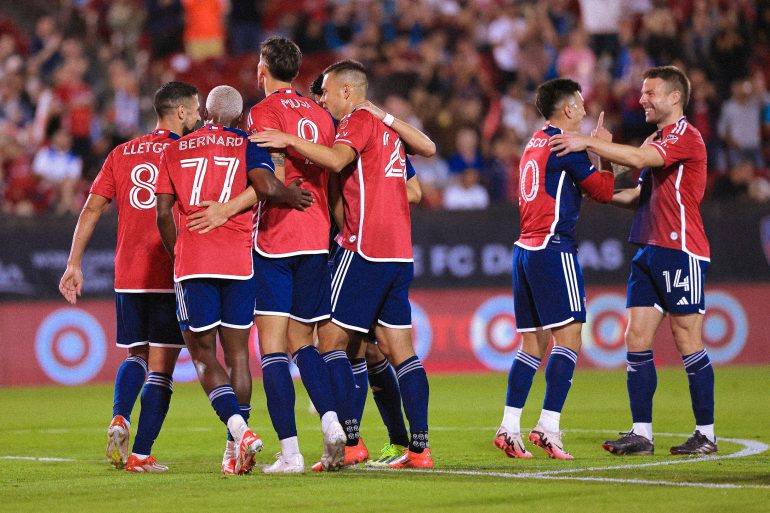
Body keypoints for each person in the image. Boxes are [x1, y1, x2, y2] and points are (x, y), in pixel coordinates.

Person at [251, 59, 437, 469]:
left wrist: (287, 138)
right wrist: (379, 193)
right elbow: (417, 186)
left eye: (328, 92)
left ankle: (349, 442)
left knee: (329, 342)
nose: (323, 100)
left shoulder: (354, 123)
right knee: (395, 350)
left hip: (363, 249)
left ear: (348, 92)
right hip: (398, 254)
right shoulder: (388, 130)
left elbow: (335, 162)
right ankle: (418, 450)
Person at [186, 37, 348, 473]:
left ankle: (291, 452)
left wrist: (224, 209)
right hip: (317, 238)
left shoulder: (262, 114)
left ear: (262, 70)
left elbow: (266, 181)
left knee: (273, 348)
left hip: (275, 238)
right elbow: (332, 174)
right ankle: (332, 424)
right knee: (305, 342)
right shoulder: (321, 113)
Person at [549, 65, 717, 456]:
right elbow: (632, 196)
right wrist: (601, 166)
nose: (642, 99)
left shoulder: (684, 137)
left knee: (686, 338)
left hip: (680, 249)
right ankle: (642, 433)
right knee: (636, 339)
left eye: (650, 92)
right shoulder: (658, 138)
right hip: (647, 248)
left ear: (674, 97)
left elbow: (641, 158)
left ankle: (706, 434)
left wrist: (585, 143)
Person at [155, 85, 312, 475]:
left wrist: (179, 253)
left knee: (204, 356)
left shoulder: (174, 149)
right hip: (239, 263)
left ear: (205, 113)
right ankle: (232, 451)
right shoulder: (246, 143)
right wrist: (289, 196)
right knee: (239, 355)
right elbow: (264, 186)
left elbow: (161, 214)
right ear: (240, 117)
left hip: (194, 262)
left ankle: (239, 431)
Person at [58, 81, 201, 472]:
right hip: (172, 268)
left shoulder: (121, 152)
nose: (199, 116)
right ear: (181, 113)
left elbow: (90, 208)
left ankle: (120, 415)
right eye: (196, 109)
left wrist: (74, 263)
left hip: (128, 273)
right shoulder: (187, 153)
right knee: (164, 365)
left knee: (136, 354)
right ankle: (141, 453)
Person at [493, 78, 620, 461]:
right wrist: (607, 151)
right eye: (580, 102)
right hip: (554, 247)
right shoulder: (567, 145)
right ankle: (548, 426)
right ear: (567, 109)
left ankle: (509, 427)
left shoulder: (535, 142)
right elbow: (603, 191)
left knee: (532, 344)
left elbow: (567, 188)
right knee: (569, 340)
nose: (584, 107)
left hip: (525, 248)